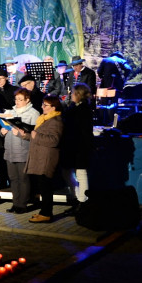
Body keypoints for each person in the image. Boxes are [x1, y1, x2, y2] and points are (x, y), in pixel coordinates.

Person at [20, 95, 64, 223]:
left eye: (45, 105)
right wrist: (25, 135)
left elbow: (54, 141)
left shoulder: (56, 121)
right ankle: (44, 212)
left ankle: (46, 213)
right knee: (43, 187)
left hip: (47, 159)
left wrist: (35, 135)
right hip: (40, 157)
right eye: (42, 104)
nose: (42, 107)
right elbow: (36, 136)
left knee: (46, 187)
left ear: (53, 107)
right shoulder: (44, 119)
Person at [0, 87, 41, 214]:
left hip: (23, 150)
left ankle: (22, 204)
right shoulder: (10, 112)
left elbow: (34, 134)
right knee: (13, 178)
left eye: (20, 99)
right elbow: (4, 130)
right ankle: (15, 203)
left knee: (23, 178)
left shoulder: (33, 113)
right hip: (10, 150)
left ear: (27, 100)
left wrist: (22, 132)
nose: (17, 102)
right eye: (16, 99)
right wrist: (2, 131)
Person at [59, 83, 94, 215]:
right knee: (67, 172)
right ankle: (76, 198)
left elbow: (85, 131)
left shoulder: (84, 109)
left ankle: (82, 201)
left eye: (73, 93)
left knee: (81, 174)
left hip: (79, 146)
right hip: (71, 145)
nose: (71, 95)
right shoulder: (74, 107)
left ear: (79, 94)